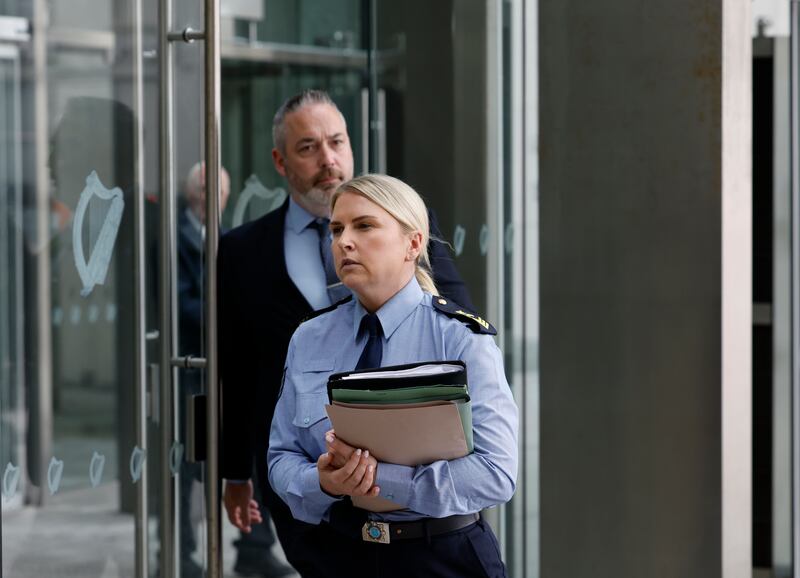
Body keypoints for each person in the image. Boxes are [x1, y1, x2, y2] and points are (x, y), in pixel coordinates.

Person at [219, 89, 473, 575]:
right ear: (280, 160)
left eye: (336, 142)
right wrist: (235, 473)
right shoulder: (243, 251)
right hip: (304, 481)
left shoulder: (406, 225)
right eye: (308, 147)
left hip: (413, 480)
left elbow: (459, 320)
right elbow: (237, 368)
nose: (328, 159)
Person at [267, 174, 518, 577]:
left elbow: (497, 472)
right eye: (336, 229)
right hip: (341, 556)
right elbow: (281, 457)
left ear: (413, 244)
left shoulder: (460, 338)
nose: (344, 241)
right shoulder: (309, 339)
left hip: (443, 559)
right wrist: (326, 483)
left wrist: (380, 480)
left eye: (364, 226)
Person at [176, 162, 232, 577]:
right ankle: (180, 551)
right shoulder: (176, 235)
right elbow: (180, 304)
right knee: (186, 467)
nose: (215, 200)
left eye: (221, 194)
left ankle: (247, 546)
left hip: (218, 365)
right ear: (192, 193)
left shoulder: (224, 236)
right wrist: (226, 313)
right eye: (207, 191)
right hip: (188, 362)